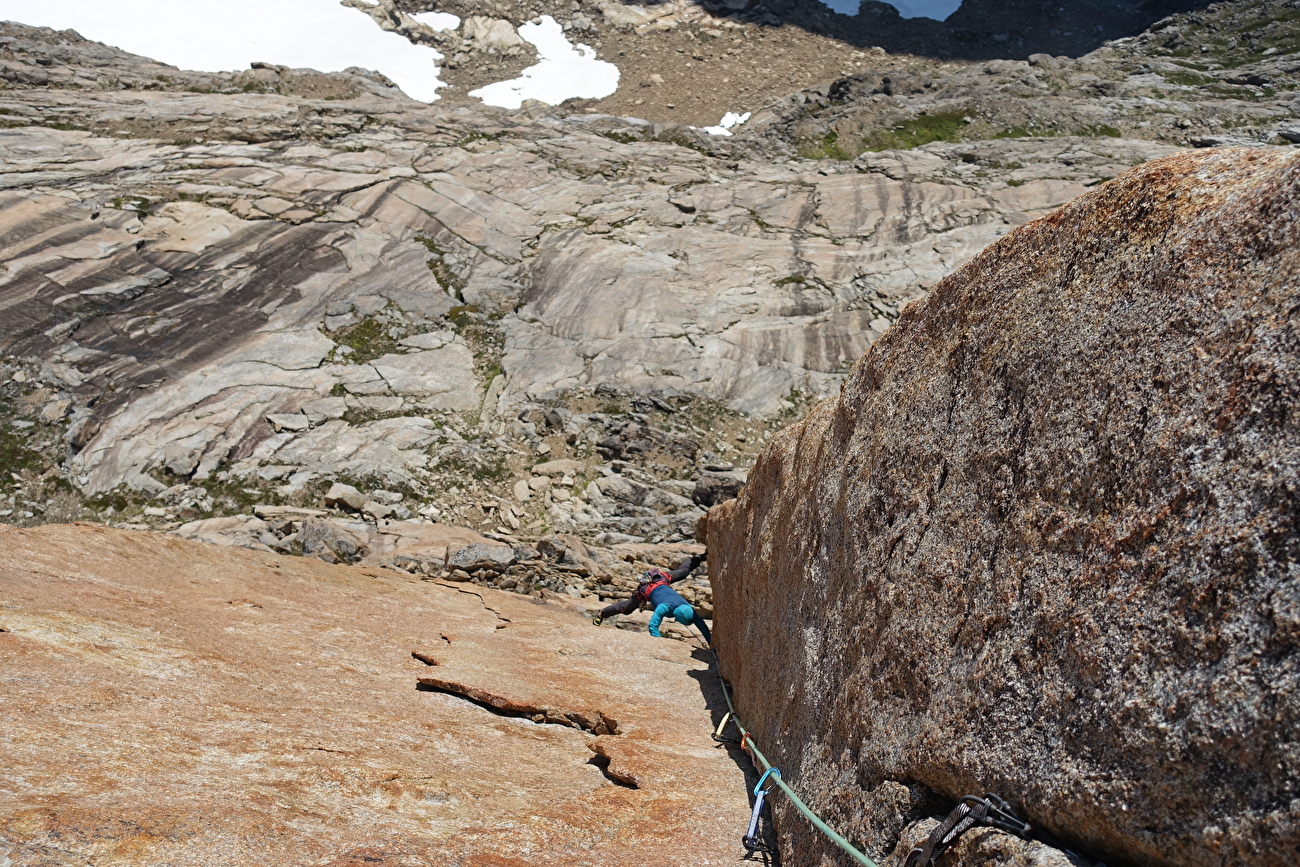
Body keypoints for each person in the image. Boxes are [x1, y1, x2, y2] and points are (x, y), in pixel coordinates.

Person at [593, 552, 710, 645]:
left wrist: (711, 643)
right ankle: (601, 614)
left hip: (661, 580)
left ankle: (700, 558)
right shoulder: (664, 607)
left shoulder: (688, 609)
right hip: (647, 588)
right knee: (626, 608)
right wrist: (660, 643)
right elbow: (653, 626)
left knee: (683, 572)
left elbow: (702, 626)